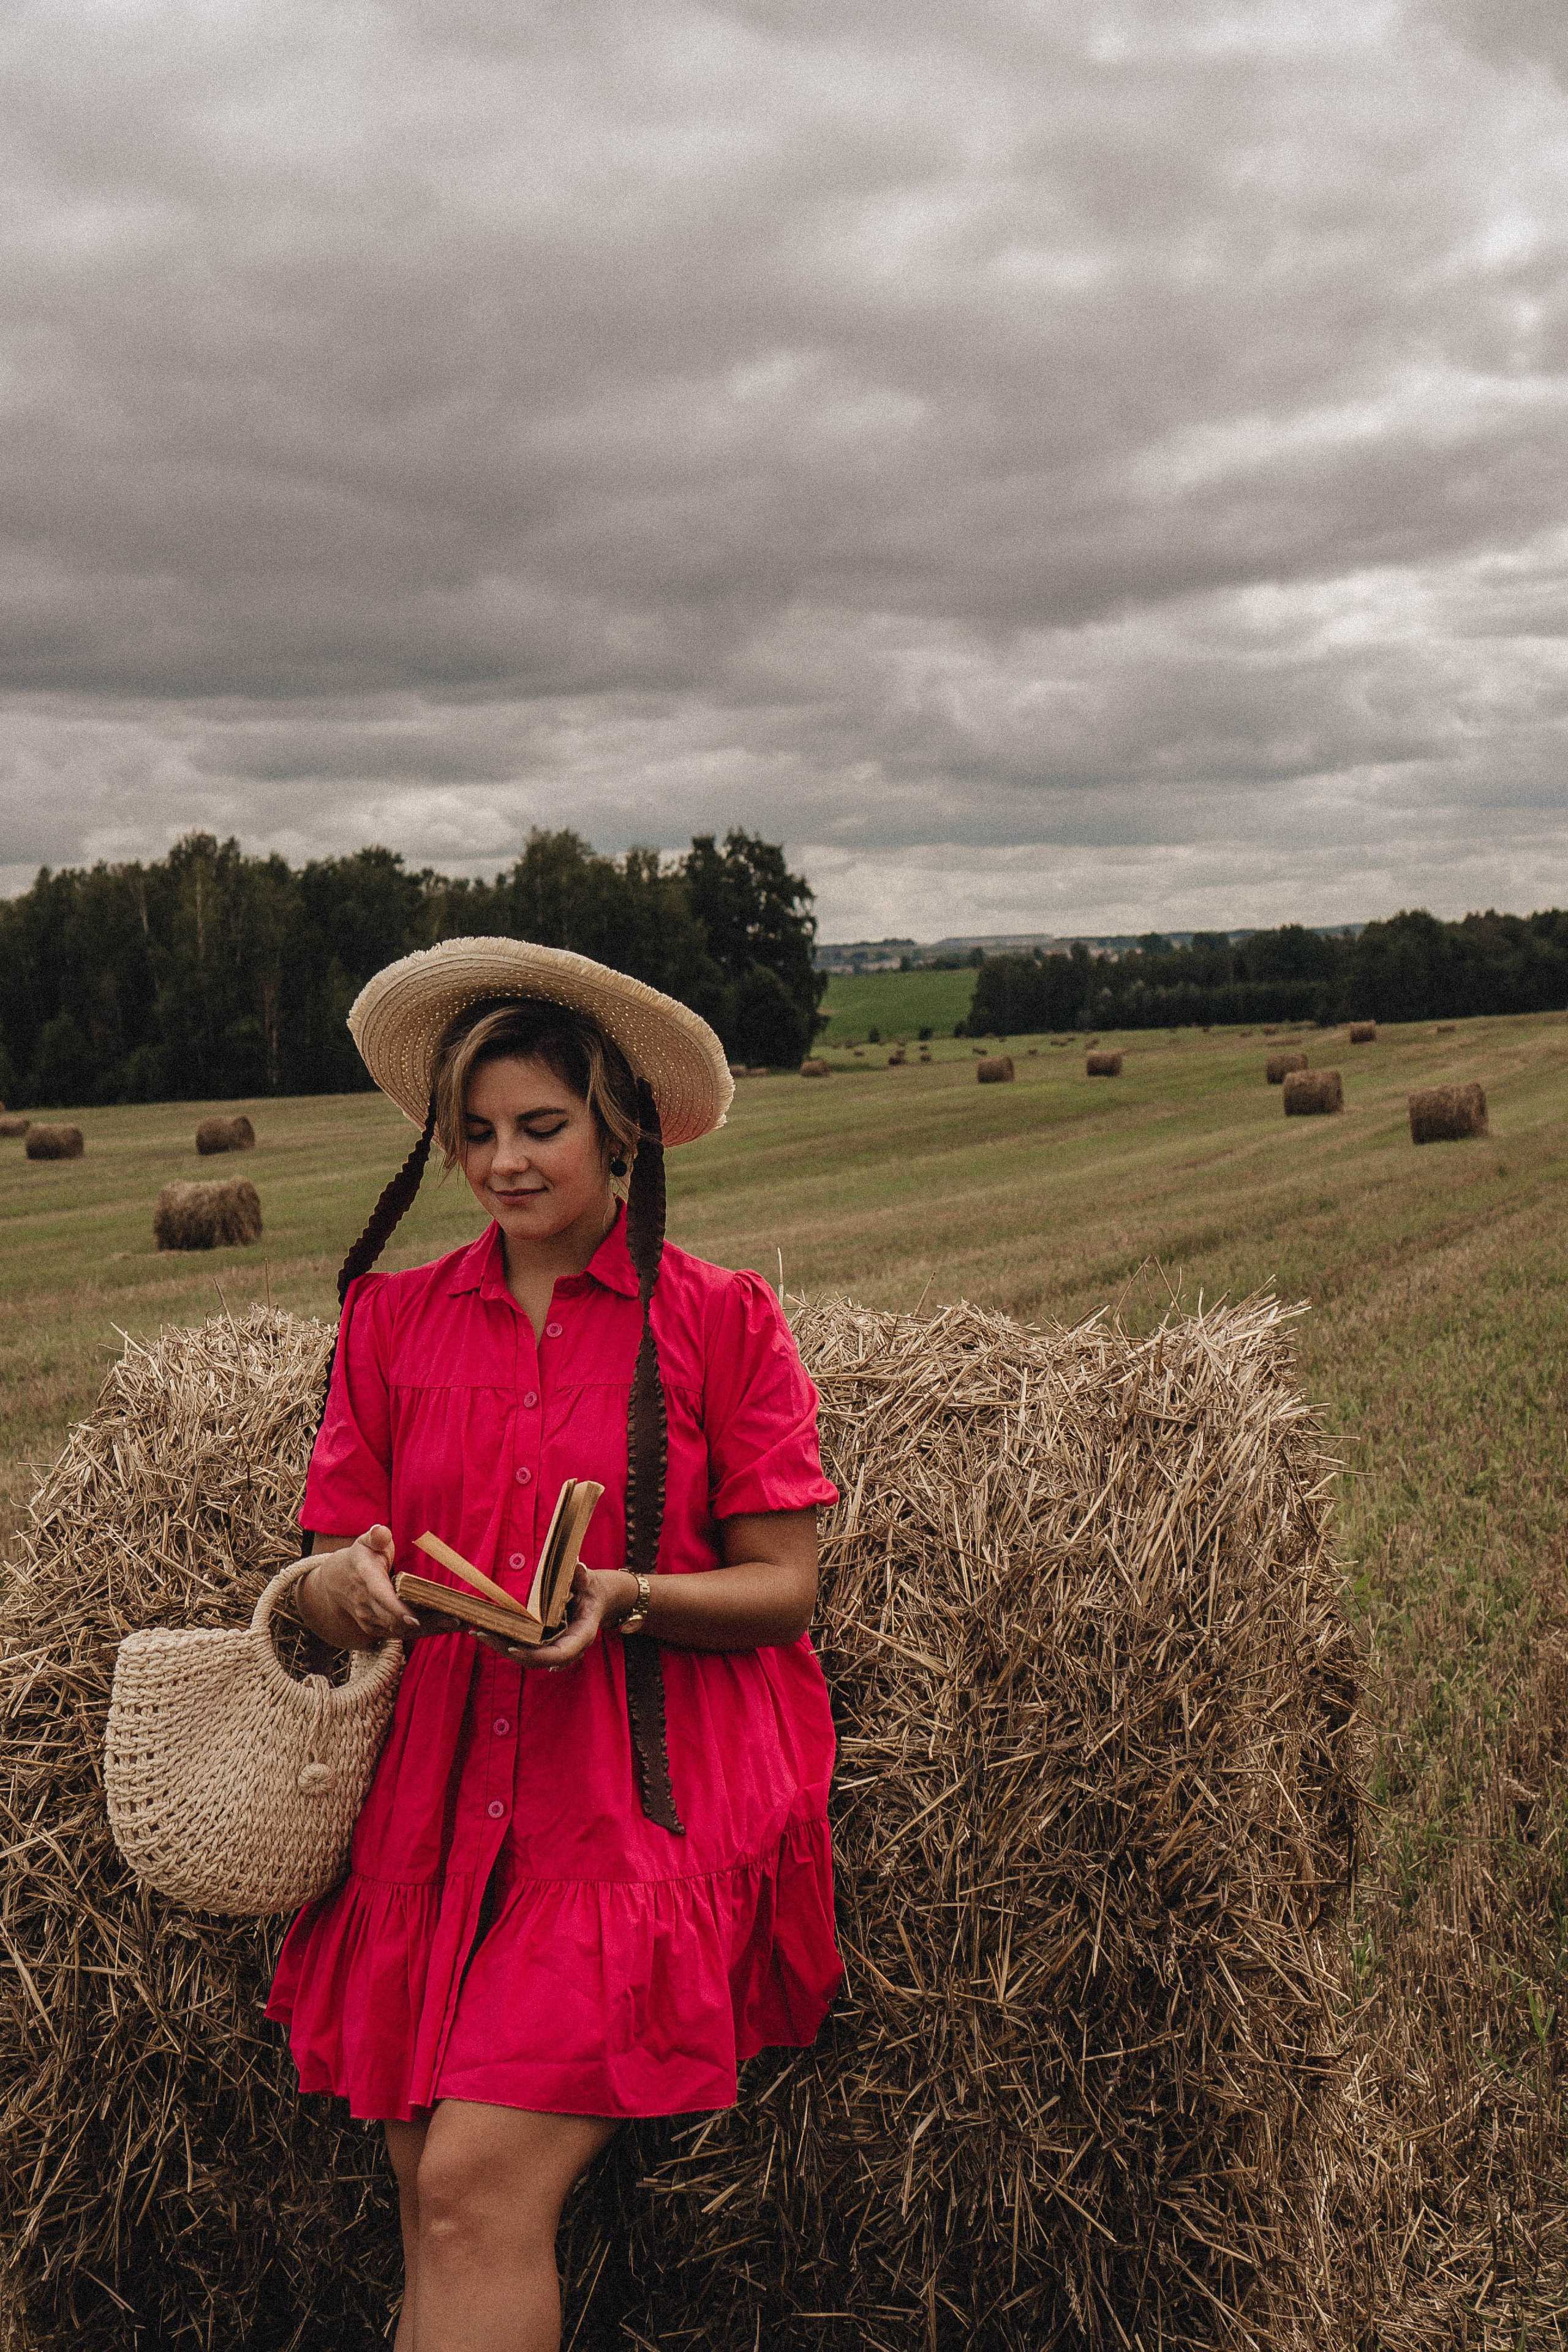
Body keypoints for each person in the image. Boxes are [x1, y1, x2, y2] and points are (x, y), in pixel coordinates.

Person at [266, 938, 842, 2352]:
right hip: (443, 1797)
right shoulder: (392, 1321)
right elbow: (328, 1557)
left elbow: (786, 1587)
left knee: (469, 2186)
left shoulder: (718, 1322)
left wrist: (624, 1595)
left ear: (619, 1131)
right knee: (426, 2195)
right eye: (474, 1135)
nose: (505, 1164)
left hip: (636, 1796)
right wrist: (346, 1589)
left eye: (541, 1128)